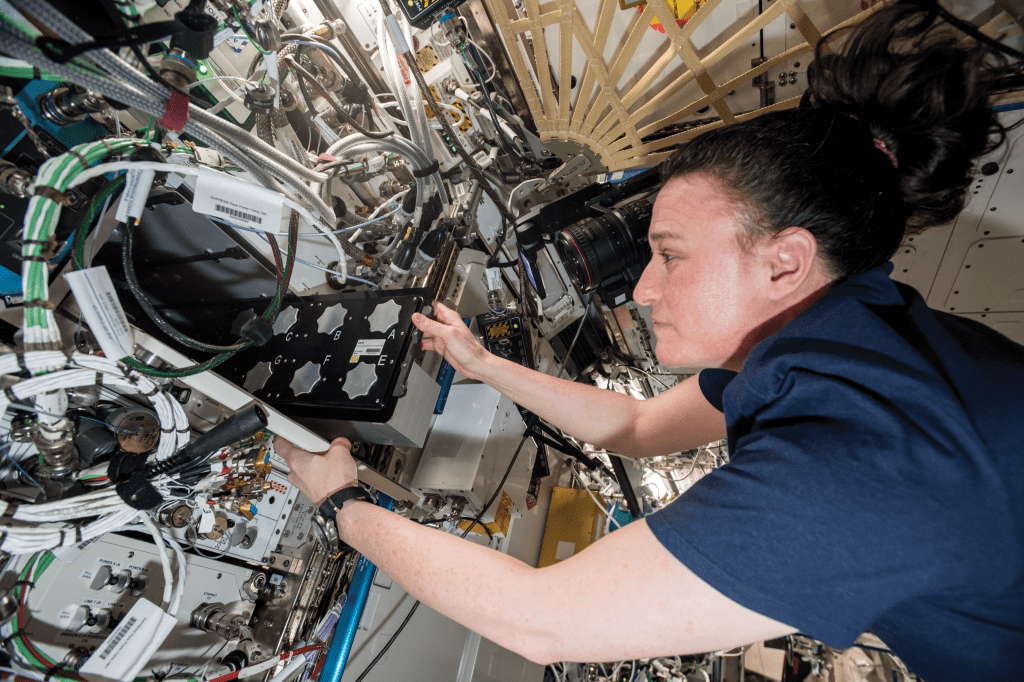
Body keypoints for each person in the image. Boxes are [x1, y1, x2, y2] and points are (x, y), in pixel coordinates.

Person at [274, 2, 1024, 680]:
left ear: (785, 261)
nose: (642, 289)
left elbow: (540, 622)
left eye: (670, 254)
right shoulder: (857, 341)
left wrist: (338, 499)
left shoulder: (871, 461)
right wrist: (483, 365)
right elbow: (636, 428)